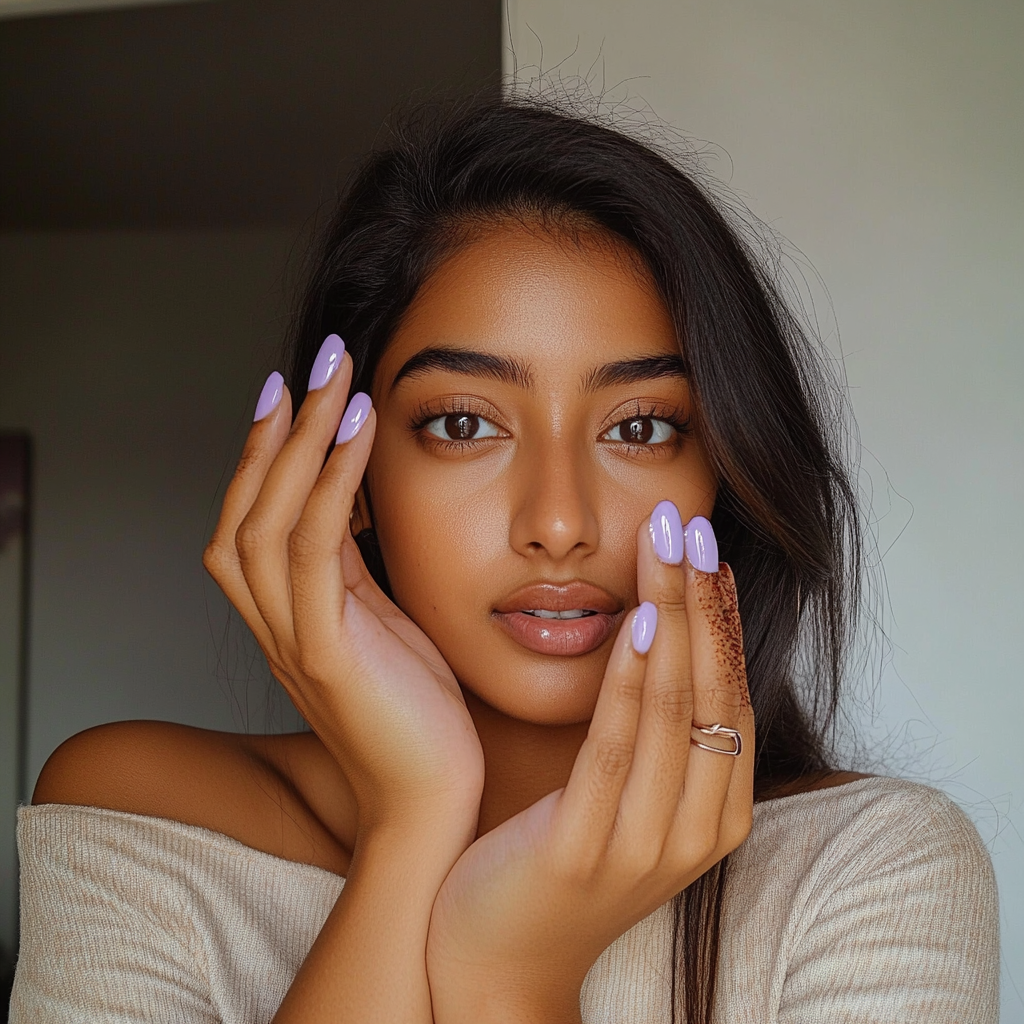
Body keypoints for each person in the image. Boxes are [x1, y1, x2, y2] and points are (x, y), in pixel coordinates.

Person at [10, 98, 998, 1024]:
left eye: (643, 425)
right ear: (342, 477)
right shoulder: (143, 815)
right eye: (464, 423)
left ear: (725, 475)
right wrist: (412, 821)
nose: (558, 522)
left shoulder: (873, 866)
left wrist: (508, 980)